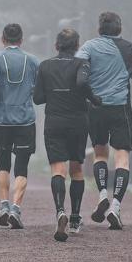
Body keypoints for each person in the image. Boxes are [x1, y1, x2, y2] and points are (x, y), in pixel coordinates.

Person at [76, 11, 132, 230]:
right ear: (120, 28)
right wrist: (128, 72)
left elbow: (77, 67)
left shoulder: (89, 46)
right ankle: (116, 206)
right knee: (122, 158)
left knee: (99, 153)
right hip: (120, 108)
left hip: (95, 107)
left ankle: (101, 195)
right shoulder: (131, 49)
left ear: (100, 28)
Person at [33, 28, 101, 241]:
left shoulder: (44, 66)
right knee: (77, 169)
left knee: (58, 170)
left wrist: (54, 93)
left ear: (56, 46)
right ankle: (74, 218)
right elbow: (82, 83)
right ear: (77, 46)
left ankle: (60, 211)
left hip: (54, 122)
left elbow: (37, 98)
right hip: (77, 122)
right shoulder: (82, 64)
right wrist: (94, 99)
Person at [0, 23, 39, 229]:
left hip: (1, 119)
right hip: (25, 119)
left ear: (3, 39)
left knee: (3, 163)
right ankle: (16, 209)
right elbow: (38, 89)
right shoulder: (33, 61)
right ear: (21, 39)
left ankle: (3, 206)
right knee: (22, 167)